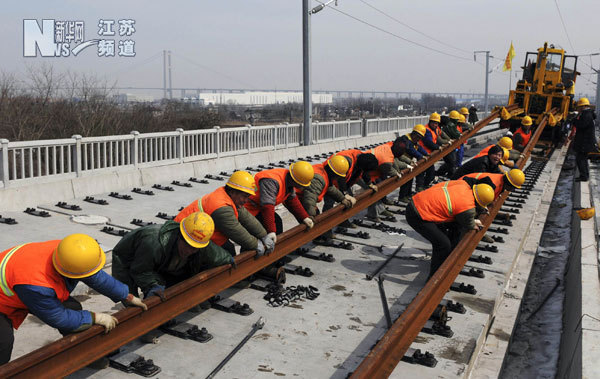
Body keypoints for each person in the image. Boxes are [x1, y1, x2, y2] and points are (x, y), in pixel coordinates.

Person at [0, 234, 147, 365]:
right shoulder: (37, 285)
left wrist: (126, 295)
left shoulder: (68, 252)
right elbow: (58, 318)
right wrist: (94, 317)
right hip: (16, 290)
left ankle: (82, 354)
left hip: (19, 283)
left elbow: (94, 275)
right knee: (3, 342)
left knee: (73, 309)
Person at [112, 212, 233, 299]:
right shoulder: (153, 243)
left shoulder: (197, 241)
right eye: (187, 245)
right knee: (129, 297)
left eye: (195, 248)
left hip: (153, 263)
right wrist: (153, 285)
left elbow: (214, 252)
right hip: (128, 263)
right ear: (180, 236)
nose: (189, 251)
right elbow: (140, 271)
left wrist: (229, 259)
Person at [406, 181, 495, 278]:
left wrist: (474, 219)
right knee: (443, 244)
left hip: (418, 202)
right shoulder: (467, 207)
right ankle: (434, 278)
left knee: (446, 234)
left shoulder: (464, 187)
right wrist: (474, 223)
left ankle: (442, 261)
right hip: (418, 215)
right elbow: (469, 223)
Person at [175, 171, 272, 257]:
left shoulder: (230, 198)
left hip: (202, 231)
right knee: (226, 255)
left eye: (248, 197)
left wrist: (263, 235)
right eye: (245, 196)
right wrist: (256, 245)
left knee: (228, 251)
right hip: (188, 235)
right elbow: (236, 231)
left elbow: (247, 218)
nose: (246, 201)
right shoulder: (221, 207)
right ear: (233, 191)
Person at [245, 161, 315, 239]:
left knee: (277, 222)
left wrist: (304, 217)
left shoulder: (288, 180)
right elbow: (267, 206)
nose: (302, 187)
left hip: (257, 207)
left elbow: (292, 201)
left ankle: (275, 248)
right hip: (247, 208)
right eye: (302, 185)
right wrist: (271, 231)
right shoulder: (271, 181)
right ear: (296, 182)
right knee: (255, 233)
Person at [397, 124, 435, 202]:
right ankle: (402, 196)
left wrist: (426, 154)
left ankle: (408, 194)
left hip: (407, 161)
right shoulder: (406, 139)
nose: (418, 139)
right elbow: (411, 150)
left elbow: (418, 148)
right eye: (418, 137)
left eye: (420, 138)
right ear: (414, 134)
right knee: (406, 179)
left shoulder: (413, 140)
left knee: (410, 178)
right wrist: (421, 156)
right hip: (401, 161)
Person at [572, 97, 598, 182]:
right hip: (585, 142)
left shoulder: (586, 115)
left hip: (585, 142)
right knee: (583, 159)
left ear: (583, 106)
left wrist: (574, 120)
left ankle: (583, 176)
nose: (578, 109)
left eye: (579, 107)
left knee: (580, 159)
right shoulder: (587, 114)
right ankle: (585, 175)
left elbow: (581, 125)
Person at [436, 110, 461, 178]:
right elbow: (439, 139)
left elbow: (442, 134)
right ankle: (445, 174)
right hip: (442, 147)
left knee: (451, 161)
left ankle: (442, 173)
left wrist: (449, 140)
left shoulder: (439, 128)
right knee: (451, 161)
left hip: (449, 146)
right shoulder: (449, 126)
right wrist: (448, 141)